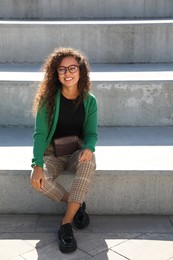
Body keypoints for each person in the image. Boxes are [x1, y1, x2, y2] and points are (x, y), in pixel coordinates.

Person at [30, 47, 98, 253]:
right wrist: (37, 164)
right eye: (62, 69)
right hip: (53, 154)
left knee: (89, 160)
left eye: (72, 68)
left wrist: (89, 147)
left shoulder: (90, 100)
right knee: (38, 182)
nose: (67, 73)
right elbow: (40, 134)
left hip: (76, 152)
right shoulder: (47, 100)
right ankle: (76, 203)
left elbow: (91, 133)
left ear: (80, 71)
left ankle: (66, 224)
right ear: (55, 73)